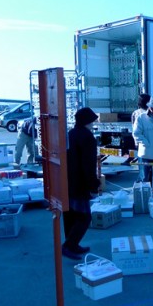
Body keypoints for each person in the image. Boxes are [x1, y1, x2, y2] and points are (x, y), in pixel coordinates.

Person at [62, 107, 101, 260]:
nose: (94, 123)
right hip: (80, 184)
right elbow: (88, 165)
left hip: (68, 182)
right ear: (88, 121)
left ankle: (72, 244)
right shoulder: (87, 137)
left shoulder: (70, 134)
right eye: (92, 120)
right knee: (84, 217)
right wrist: (93, 185)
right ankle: (69, 245)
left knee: (70, 215)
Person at [131, 94, 151, 183]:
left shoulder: (135, 113)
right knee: (151, 167)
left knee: (142, 167)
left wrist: (136, 142)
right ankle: (148, 185)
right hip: (151, 143)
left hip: (140, 143)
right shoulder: (151, 112)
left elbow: (134, 129)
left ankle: (142, 184)